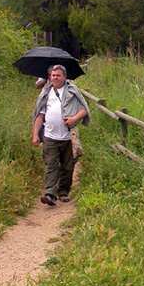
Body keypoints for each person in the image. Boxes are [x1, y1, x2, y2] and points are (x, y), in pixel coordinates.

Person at [32, 64, 90, 206]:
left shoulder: (72, 91)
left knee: (68, 166)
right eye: (53, 75)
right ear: (49, 77)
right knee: (51, 165)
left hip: (68, 136)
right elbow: (40, 114)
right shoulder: (46, 93)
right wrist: (35, 134)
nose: (55, 77)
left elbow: (84, 109)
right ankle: (50, 194)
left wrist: (74, 119)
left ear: (64, 76)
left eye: (58, 75)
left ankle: (63, 192)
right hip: (49, 135)